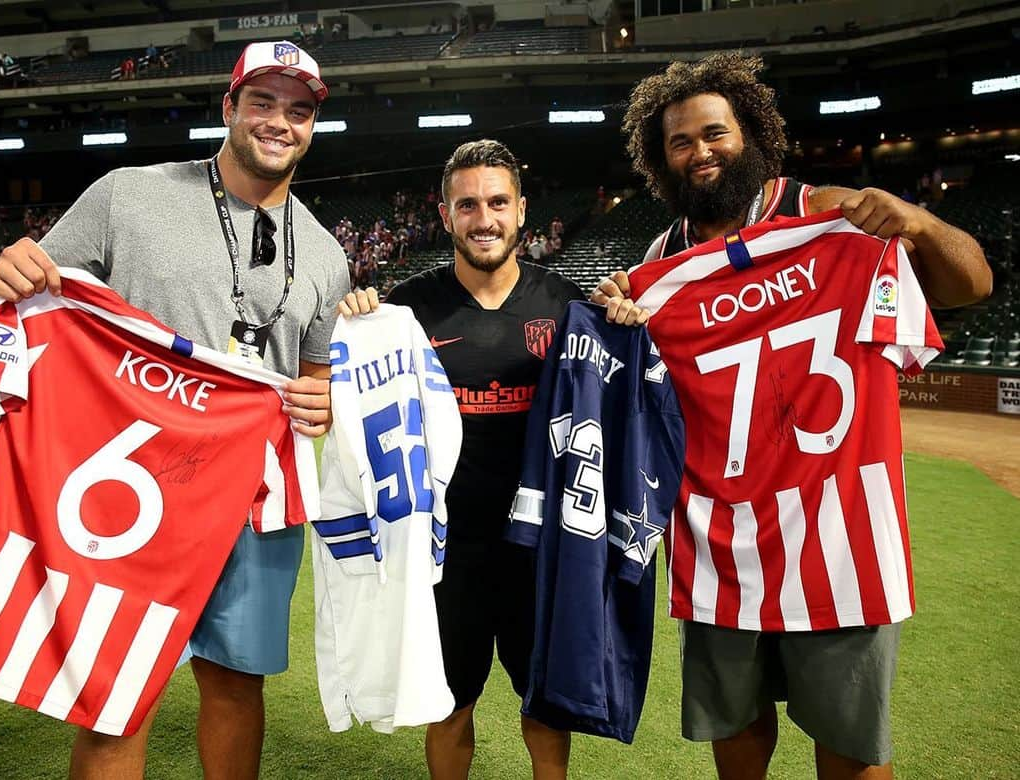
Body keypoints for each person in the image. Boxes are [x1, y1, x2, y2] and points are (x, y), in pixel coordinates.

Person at [592, 53, 991, 780]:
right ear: (661, 159)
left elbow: (974, 281)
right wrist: (623, 317)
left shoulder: (830, 218)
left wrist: (920, 225)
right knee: (737, 736)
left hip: (839, 539)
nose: (699, 152)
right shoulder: (659, 264)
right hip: (720, 544)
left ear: (752, 135)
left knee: (851, 746)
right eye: (680, 142)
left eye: (715, 133)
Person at [0, 40, 350, 780]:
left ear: (313, 126)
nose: (281, 122)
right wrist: (3, 278)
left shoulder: (327, 255)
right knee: (117, 691)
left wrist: (323, 401)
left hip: (252, 502)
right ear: (229, 107)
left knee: (237, 684)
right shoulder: (127, 194)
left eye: (299, 110)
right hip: (135, 486)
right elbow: (29, 299)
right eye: (264, 102)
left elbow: (316, 395)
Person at [340, 139, 583, 780]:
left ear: (522, 211)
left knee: (546, 709)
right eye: (467, 204)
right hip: (449, 552)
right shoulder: (403, 311)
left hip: (540, 547)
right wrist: (360, 320)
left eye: (498, 201)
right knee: (449, 706)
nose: (485, 218)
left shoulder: (566, 306)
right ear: (445, 216)